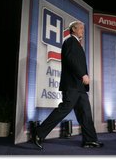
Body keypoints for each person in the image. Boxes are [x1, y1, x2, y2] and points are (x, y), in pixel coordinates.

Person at [33, 21, 103, 149]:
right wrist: (83, 74)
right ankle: (38, 133)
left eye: (83, 28)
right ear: (73, 29)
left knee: (86, 113)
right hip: (72, 85)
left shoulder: (77, 44)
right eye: (81, 28)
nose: (83, 30)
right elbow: (71, 60)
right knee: (64, 109)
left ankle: (90, 140)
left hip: (80, 87)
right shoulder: (70, 41)